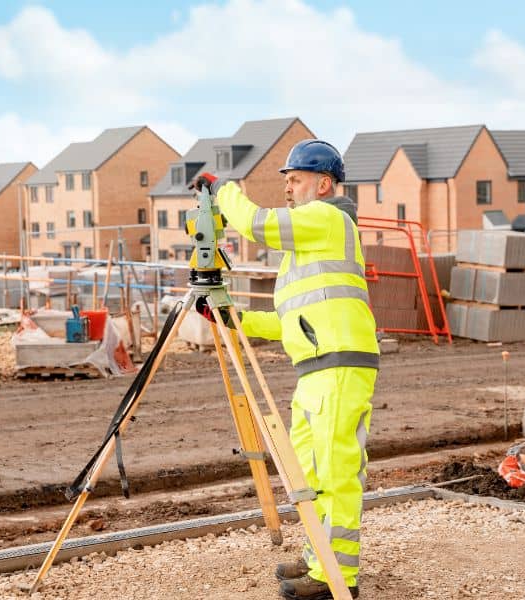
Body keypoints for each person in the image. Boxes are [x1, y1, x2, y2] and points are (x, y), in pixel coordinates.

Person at [192, 140, 378, 600]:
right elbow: (288, 321)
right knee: (309, 473)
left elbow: (257, 224)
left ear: (324, 184)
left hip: (340, 364)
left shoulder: (329, 217)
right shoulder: (305, 249)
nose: (289, 189)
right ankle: (321, 557)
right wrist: (233, 318)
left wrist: (223, 190)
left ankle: (339, 580)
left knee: (335, 471)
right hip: (316, 368)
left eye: (294, 180)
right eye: (288, 181)